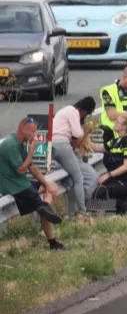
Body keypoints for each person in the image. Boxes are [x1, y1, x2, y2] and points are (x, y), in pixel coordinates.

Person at [0, 117, 64, 249]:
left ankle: (45, 206)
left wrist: (46, 183)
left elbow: (32, 167)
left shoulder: (20, 143)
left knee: (51, 186)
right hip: (15, 187)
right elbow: (21, 170)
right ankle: (53, 243)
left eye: (36, 132)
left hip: (21, 183)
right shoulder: (11, 145)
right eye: (32, 131)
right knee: (43, 209)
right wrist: (31, 152)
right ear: (22, 128)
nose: (34, 135)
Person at [88, 114, 127, 214]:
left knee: (103, 192)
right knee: (94, 198)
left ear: (123, 127)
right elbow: (98, 148)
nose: (115, 123)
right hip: (117, 180)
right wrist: (83, 137)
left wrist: (108, 175)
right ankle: (119, 208)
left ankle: (126, 208)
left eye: (117, 122)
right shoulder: (115, 141)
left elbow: (126, 167)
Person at [50, 96, 96, 218]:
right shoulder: (73, 111)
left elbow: (75, 142)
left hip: (53, 147)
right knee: (79, 178)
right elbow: (77, 133)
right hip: (62, 145)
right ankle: (82, 211)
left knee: (71, 180)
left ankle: (70, 214)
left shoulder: (65, 111)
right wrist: (87, 131)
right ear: (85, 111)